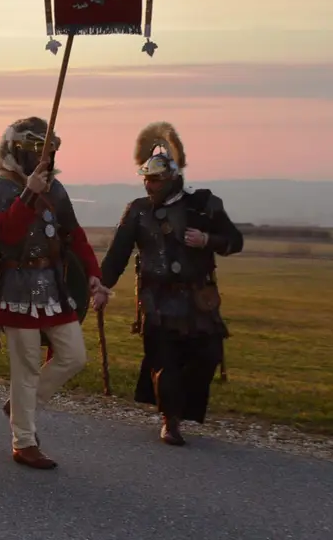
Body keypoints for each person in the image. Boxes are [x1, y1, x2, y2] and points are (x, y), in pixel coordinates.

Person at [99, 122, 244, 445]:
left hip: (198, 300)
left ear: (172, 178)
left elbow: (235, 241)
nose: (149, 186)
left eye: (156, 180)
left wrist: (208, 238)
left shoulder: (203, 205)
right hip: (156, 300)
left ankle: (183, 411)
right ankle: (170, 420)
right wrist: (102, 286)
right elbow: (117, 254)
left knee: (206, 356)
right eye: (147, 179)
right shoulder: (137, 212)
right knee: (163, 362)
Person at [0, 116, 107, 470]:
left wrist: (93, 274)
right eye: (37, 149)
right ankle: (24, 441)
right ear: (18, 149)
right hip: (16, 285)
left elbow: (73, 233)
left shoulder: (56, 188)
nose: (43, 157)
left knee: (73, 355)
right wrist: (29, 192)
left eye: (47, 150)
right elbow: (6, 235)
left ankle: (20, 407)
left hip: (53, 284)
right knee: (27, 368)